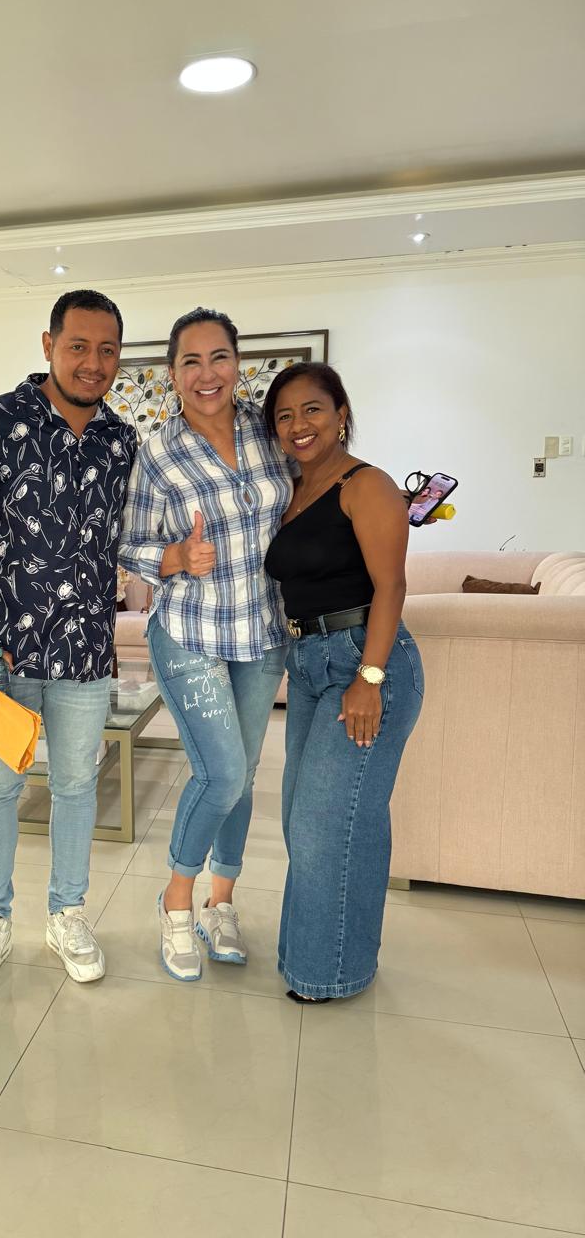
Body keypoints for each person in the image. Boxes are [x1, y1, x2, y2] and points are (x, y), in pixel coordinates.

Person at [0, 289, 136, 992]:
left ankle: (67, 913)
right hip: (2, 651)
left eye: (107, 350)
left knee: (78, 784)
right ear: (49, 344)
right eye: (78, 346)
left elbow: (121, 539)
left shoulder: (120, 441)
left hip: (85, 650)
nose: (93, 363)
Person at [119, 308, 292, 981]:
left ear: (237, 363)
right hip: (190, 631)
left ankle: (222, 903)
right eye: (190, 362)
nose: (206, 373)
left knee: (243, 777)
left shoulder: (269, 432)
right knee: (220, 774)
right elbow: (129, 543)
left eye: (218, 357)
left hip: (262, 632)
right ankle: (176, 902)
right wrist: (175, 558)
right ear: (172, 374)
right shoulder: (158, 452)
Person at [262, 362, 424, 1002]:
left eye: (312, 410)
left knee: (327, 823)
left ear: (341, 414)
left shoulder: (367, 485)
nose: (298, 425)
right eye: (284, 416)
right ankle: (329, 955)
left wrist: (370, 678)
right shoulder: (294, 490)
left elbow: (392, 586)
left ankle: (327, 972)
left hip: (364, 662)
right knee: (314, 818)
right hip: (308, 665)